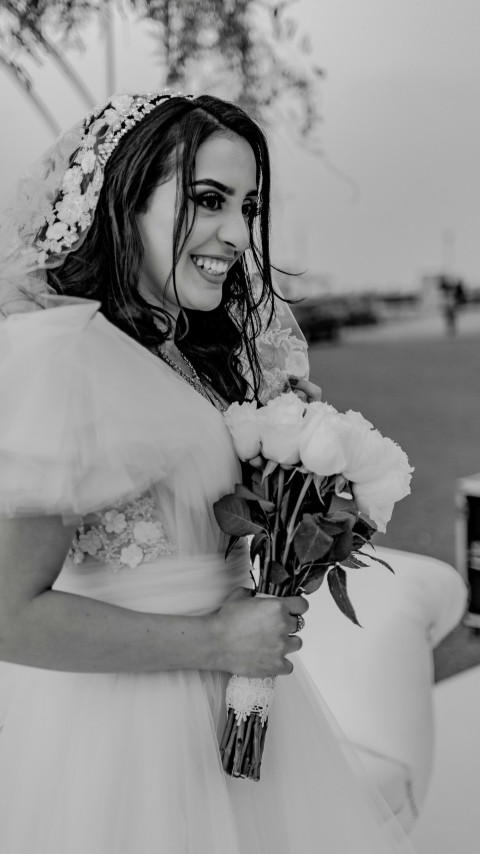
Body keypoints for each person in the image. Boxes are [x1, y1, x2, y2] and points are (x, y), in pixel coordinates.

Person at [0, 91, 416, 853]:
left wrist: (295, 490)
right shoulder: (67, 355)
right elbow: (8, 616)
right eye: (208, 199)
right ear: (125, 201)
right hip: (122, 743)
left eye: (247, 206)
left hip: (233, 709)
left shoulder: (191, 358)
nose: (236, 233)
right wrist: (216, 643)